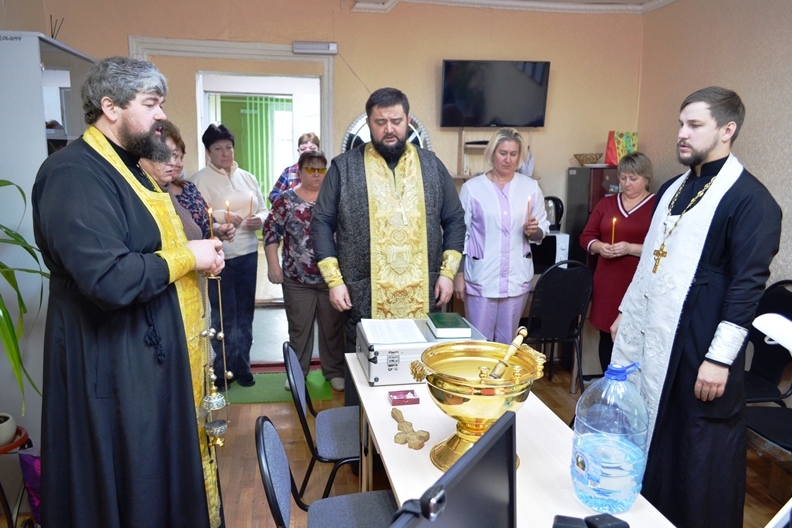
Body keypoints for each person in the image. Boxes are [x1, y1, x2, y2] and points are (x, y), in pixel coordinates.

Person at [32, 56, 226, 527]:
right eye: (151, 103)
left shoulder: (129, 169)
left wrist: (199, 253)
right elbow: (109, 278)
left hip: (150, 361)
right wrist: (190, 256)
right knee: (135, 486)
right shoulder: (73, 173)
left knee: (164, 479)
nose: (162, 115)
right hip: (113, 367)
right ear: (110, 107)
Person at [611, 87, 782, 528]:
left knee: (691, 448)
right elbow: (651, 261)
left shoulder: (752, 200)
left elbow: (747, 287)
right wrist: (626, 313)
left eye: (694, 125)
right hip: (654, 333)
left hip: (700, 344)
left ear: (727, 130)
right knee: (645, 426)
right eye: (680, 124)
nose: (681, 134)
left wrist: (719, 359)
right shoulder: (673, 188)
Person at [311, 87, 465, 350]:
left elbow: (454, 219)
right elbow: (321, 223)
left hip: (423, 291)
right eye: (380, 122)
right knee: (365, 366)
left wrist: (448, 274)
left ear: (408, 120)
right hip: (363, 293)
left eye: (396, 121)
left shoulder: (432, 165)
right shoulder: (343, 167)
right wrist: (334, 282)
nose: (389, 129)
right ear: (369, 123)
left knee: (417, 363)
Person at [452, 128, 549, 344]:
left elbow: (542, 229)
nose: (508, 159)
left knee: (507, 344)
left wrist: (533, 231)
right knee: (479, 344)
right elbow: (460, 233)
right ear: (492, 153)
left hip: (516, 278)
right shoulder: (472, 189)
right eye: (503, 153)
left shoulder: (530, 187)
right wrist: (458, 274)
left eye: (513, 154)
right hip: (481, 277)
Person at [190, 124, 266, 391]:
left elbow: (263, 209)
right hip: (219, 258)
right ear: (208, 152)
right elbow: (197, 217)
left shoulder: (248, 177)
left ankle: (243, 366)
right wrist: (222, 217)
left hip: (248, 254)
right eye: (218, 148)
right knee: (223, 315)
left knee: (245, 313)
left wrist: (260, 220)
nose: (225, 153)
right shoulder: (198, 180)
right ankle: (222, 370)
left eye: (229, 147)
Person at [263, 150, 346, 391]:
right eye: (310, 169)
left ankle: (334, 371)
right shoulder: (286, 200)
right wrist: (273, 266)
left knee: (333, 328)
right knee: (299, 328)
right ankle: (297, 373)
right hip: (297, 278)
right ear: (299, 171)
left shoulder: (335, 198)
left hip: (332, 280)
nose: (316, 174)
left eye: (321, 169)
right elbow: (271, 232)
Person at [579, 152, 655, 371]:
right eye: (623, 178)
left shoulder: (656, 205)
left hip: (637, 281)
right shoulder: (607, 203)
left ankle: (630, 386)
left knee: (635, 337)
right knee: (607, 335)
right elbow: (586, 237)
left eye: (633, 179)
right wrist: (599, 247)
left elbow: (664, 248)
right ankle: (609, 382)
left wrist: (630, 248)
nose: (627, 183)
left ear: (646, 178)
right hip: (607, 281)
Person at [140, 120, 235, 242]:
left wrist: (217, 229)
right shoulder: (148, 192)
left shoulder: (188, 187)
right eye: (173, 155)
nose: (177, 163)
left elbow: (207, 220)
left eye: (181, 157)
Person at [268, 132, 320, 205]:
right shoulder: (289, 171)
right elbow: (273, 195)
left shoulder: (324, 173)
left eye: (312, 148)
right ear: (298, 151)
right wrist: (287, 202)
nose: (307, 152)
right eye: (303, 149)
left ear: (318, 150)